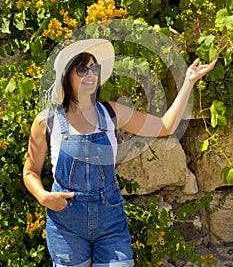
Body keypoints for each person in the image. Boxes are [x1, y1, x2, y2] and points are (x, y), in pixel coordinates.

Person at [23, 38, 218, 267]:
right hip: (66, 221)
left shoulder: (110, 113)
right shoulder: (47, 121)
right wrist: (43, 197)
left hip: (110, 220)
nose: (90, 74)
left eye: (94, 68)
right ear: (67, 75)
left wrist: (188, 81)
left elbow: (165, 126)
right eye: (82, 68)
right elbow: (30, 170)